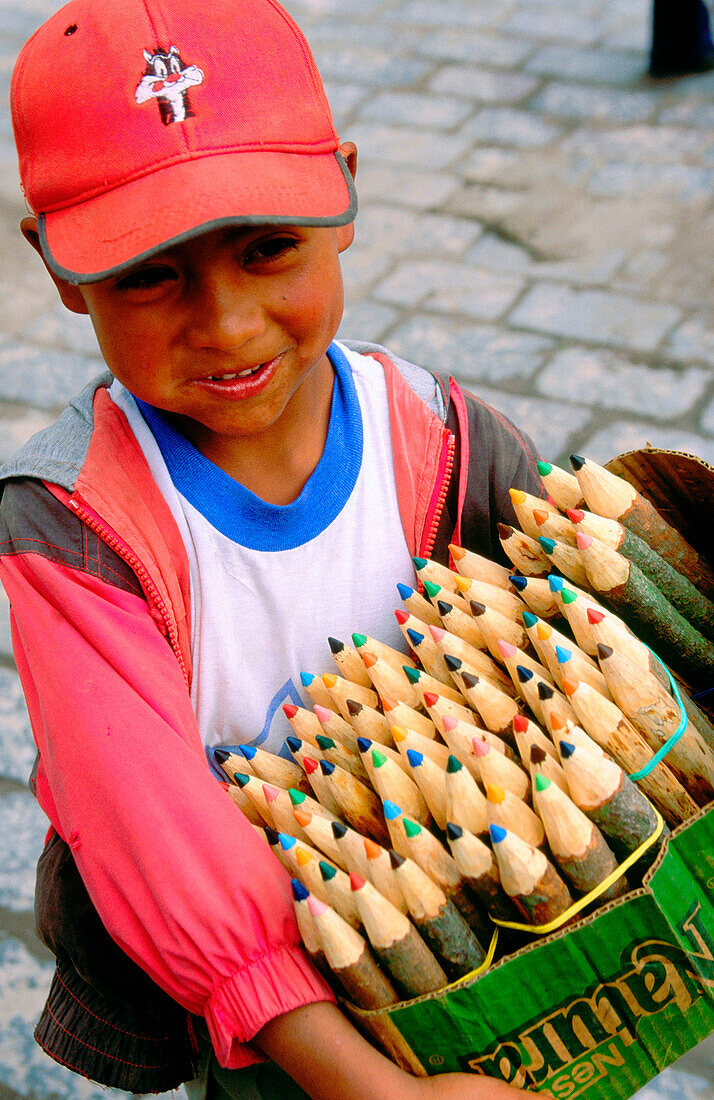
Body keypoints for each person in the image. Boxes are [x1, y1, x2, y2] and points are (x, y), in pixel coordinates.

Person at [1, 0, 547, 1097]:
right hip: (272, 1026)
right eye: (153, 273)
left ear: (343, 191)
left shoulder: (449, 441)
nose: (231, 323)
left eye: (268, 250)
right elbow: (156, 833)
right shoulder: (73, 527)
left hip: (502, 950)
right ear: (60, 267)